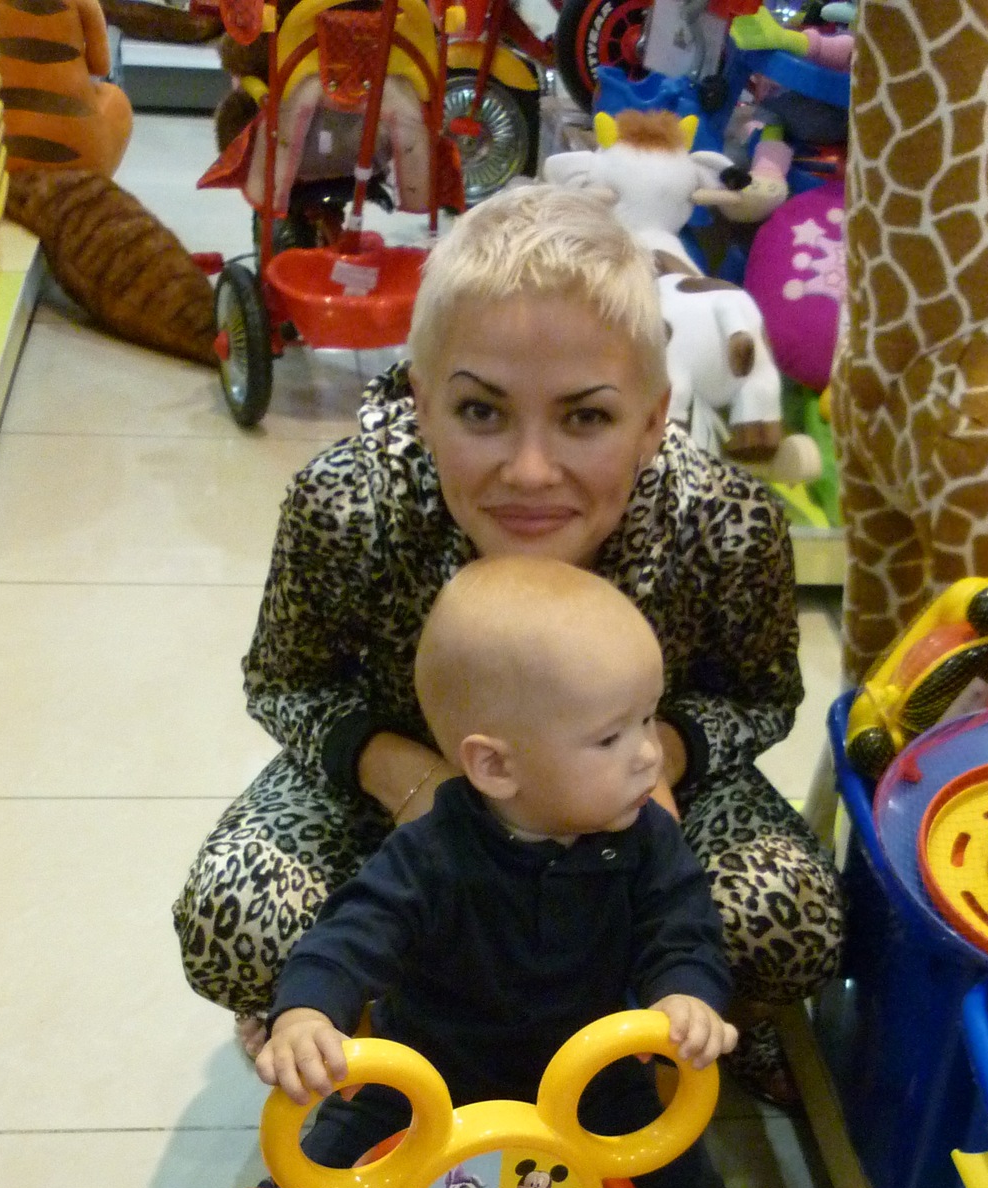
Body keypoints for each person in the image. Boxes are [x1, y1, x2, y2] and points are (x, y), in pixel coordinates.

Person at [172, 180, 841, 1113]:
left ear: (654, 418)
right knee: (238, 915)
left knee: (788, 913)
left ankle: (683, 1037)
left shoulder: (724, 522)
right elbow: (288, 683)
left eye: (587, 417)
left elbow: (758, 697)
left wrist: (657, 760)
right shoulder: (345, 503)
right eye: (482, 412)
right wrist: (409, 781)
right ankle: (357, 1041)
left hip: (629, 813)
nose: (530, 471)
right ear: (421, 403)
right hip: (406, 804)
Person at [123, 558, 746, 1188]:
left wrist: (687, 996)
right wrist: (307, 1014)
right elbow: (350, 934)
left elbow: (684, 928)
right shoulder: (433, 849)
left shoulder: (644, 839)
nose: (648, 758)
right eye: (611, 736)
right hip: (424, 1089)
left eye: (649, 721)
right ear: (494, 765)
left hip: (591, 1089)